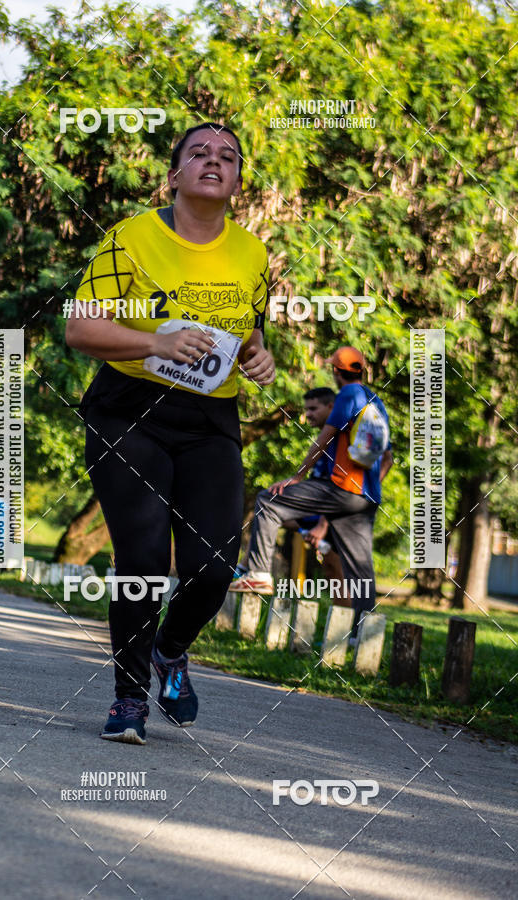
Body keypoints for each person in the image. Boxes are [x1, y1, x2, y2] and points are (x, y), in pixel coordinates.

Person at [66, 122, 275, 744]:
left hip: (211, 418)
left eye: (228, 156)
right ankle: (128, 698)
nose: (215, 161)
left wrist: (257, 358)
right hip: (129, 410)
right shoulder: (132, 237)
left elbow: (250, 334)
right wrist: (155, 341)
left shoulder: (254, 253)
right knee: (144, 557)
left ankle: (170, 648)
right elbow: (80, 331)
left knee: (214, 566)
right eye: (199, 153)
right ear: (175, 174)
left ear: (237, 180)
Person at [231, 347, 393, 632]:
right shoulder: (375, 401)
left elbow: (324, 438)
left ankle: (256, 572)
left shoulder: (348, 395)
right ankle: (364, 635)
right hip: (366, 497)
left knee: (269, 499)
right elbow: (388, 457)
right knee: (361, 569)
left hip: (342, 488)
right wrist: (371, 489)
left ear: (335, 371)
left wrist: (296, 477)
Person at [230, 387, 342, 589]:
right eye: (306, 409)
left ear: (331, 407)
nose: (307, 414)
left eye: (313, 408)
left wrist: (323, 526)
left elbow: (339, 488)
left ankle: (254, 573)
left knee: (338, 573)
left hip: (333, 514)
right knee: (266, 514)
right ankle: (246, 569)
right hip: (316, 512)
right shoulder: (324, 443)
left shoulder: (338, 440)